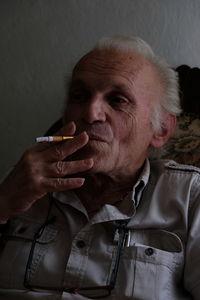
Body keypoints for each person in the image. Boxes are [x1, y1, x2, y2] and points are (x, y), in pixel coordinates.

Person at [0, 35, 199, 300]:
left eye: (118, 100)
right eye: (79, 96)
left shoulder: (190, 197)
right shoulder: (22, 183)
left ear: (161, 129)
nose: (90, 113)